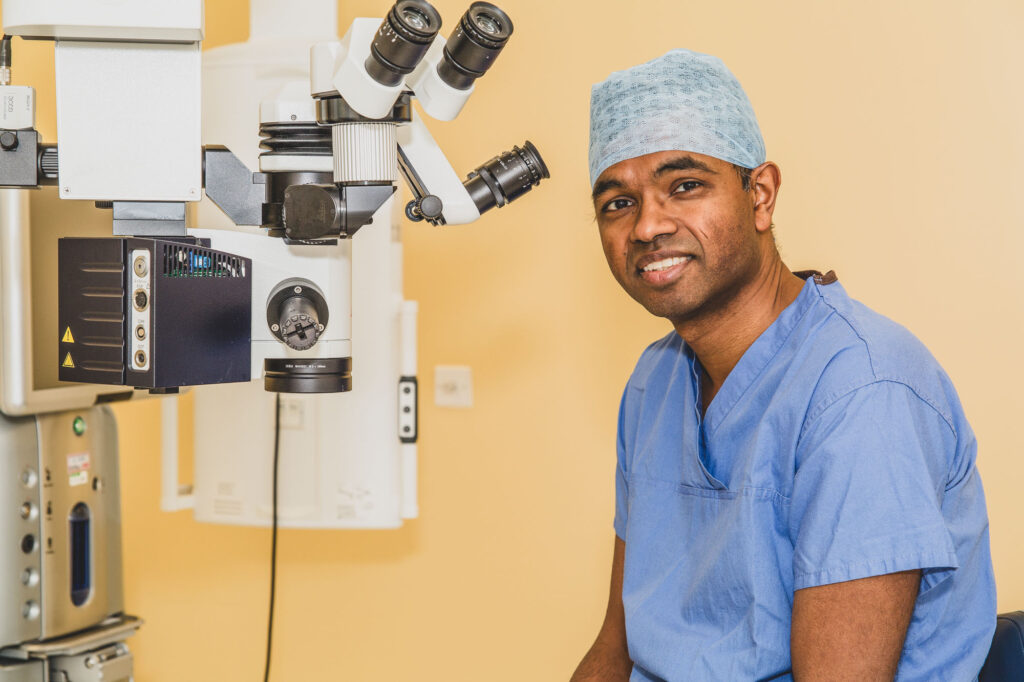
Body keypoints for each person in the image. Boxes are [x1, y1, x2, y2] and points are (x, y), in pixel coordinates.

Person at [571, 49, 996, 682]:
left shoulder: (861, 392)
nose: (647, 225)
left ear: (760, 195)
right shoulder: (652, 383)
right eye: (617, 203)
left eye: (684, 185)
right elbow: (618, 643)